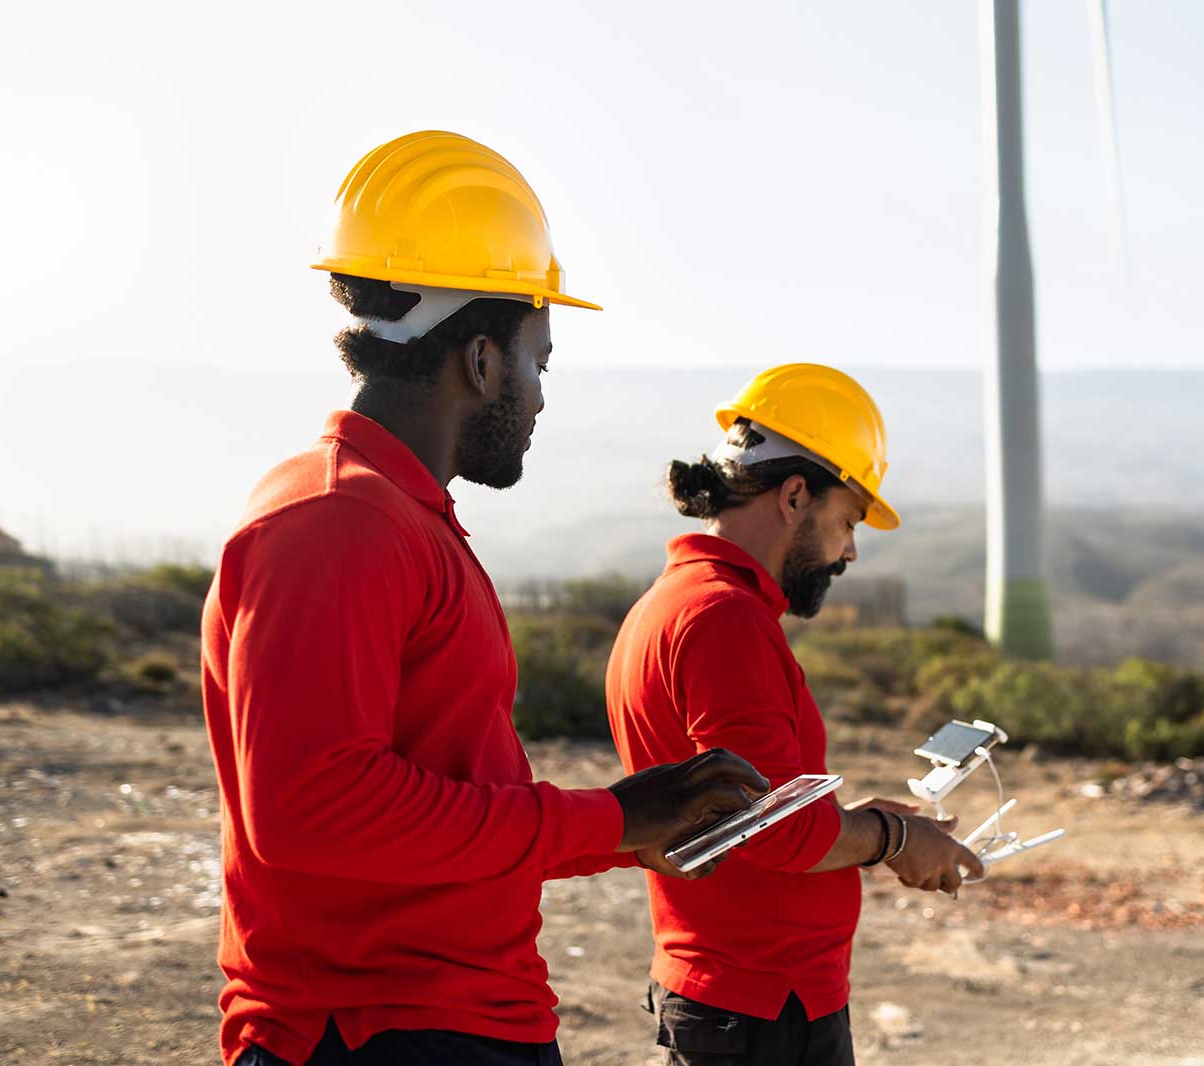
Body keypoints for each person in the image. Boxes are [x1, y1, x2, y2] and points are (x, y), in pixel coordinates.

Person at [201, 130, 767, 1066]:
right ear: (478, 360)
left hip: (444, 1022)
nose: (542, 397)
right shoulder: (338, 521)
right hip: (377, 1033)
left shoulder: (397, 518)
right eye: (538, 359)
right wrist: (615, 818)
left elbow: (452, 792)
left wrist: (629, 829)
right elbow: (315, 809)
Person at [605, 364, 984, 1065]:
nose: (850, 550)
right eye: (846, 521)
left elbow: (753, 815)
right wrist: (896, 838)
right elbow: (774, 835)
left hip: (742, 1001)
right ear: (796, 495)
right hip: (759, 1012)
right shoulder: (723, 618)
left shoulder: (679, 601)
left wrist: (860, 824)